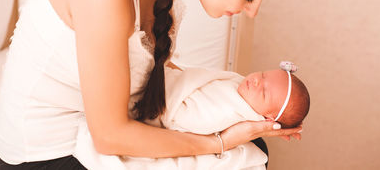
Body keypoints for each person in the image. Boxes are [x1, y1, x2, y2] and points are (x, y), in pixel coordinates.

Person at [0, 0, 303, 168]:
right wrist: (219, 141)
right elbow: (109, 136)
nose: (252, 12)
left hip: (92, 133)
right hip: (45, 153)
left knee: (254, 150)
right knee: (241, 156)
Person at [73, 62, 310, 169]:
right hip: (147, 90)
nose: (257, 81)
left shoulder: (232, 109)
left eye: (265, 92)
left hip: (167, 108)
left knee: (259, 152)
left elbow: (191, 120)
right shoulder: (240, 86)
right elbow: (195, 75)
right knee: (259, 152)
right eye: (263, 75)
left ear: (267, 119)